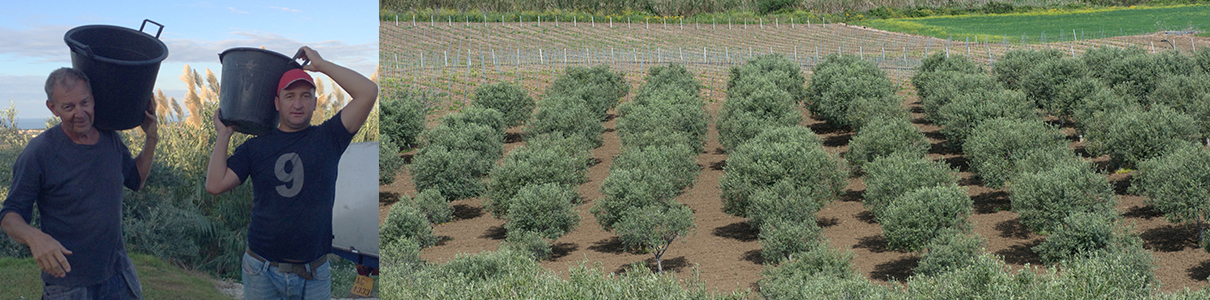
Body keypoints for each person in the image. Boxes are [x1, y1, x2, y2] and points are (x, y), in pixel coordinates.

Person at [205, 46, 378, 299]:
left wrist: (321, 65)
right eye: (289, 96)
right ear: (276, 102)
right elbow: (215, 184)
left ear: (315, 102)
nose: (298, 104)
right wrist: (224, 135)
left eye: (306, 96)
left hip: (315, 273)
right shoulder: (255, 147)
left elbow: (368, 92)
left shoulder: (330, 137)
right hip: (261, 270)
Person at [1, 67, 158, 299]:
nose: (80, 112)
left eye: (85, 102)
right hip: (68, 284)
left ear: (93, 100)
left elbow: (136, 180)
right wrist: (35, 237)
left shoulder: (110, 139)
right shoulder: (39, 153)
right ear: (52, 108)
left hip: (118, 274)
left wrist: (151, 137)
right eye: (69, 107)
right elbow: (9, 215)